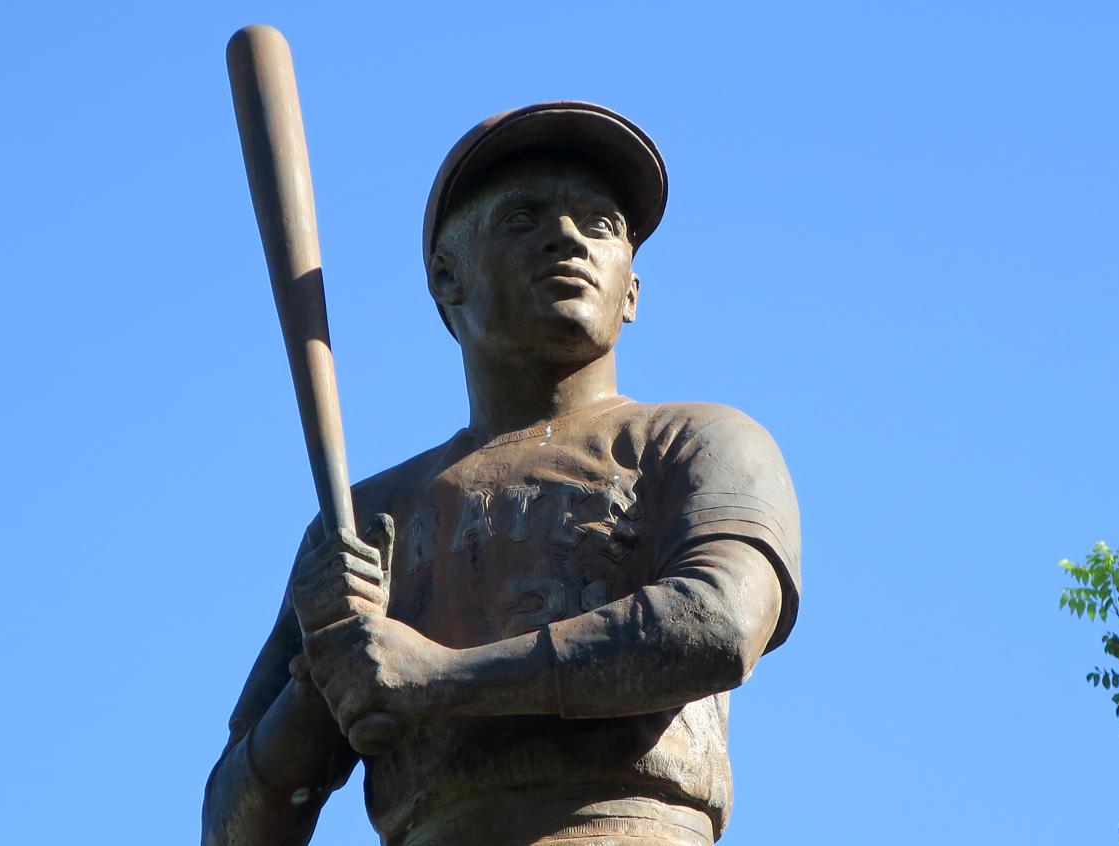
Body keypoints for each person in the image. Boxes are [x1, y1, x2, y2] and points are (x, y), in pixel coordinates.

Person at [203, 101, 802, 846]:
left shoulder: (695, 439)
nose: (565, 237)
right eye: (522, 218)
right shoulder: (364, 519)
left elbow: (718, 625)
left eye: (599, 223)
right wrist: (323, 681)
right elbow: (235, 828)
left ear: (633, 292)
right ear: (447, 278)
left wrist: (437, 679)